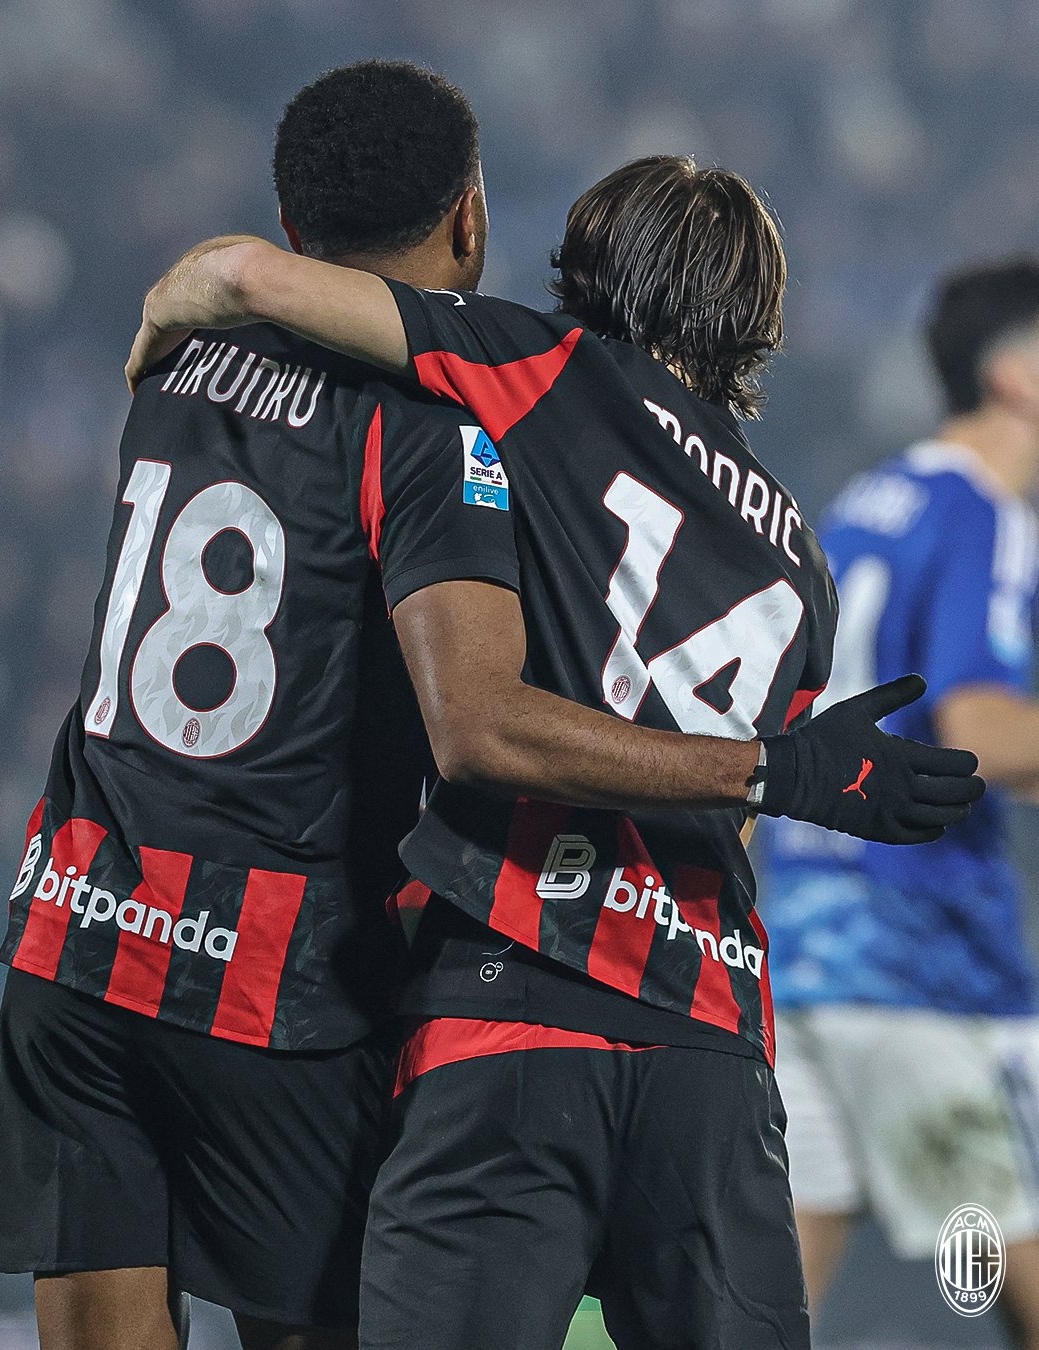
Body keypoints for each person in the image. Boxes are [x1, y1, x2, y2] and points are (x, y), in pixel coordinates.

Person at [127, 161, 983, 1350]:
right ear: (754, 315)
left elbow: (244, 275)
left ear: (594, 263)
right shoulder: (799, 554)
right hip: (712, 1049)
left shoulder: (543, 367)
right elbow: (735, 813)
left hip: (513, 1010)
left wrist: (159, 340)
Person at [752, 259, 1039, 1347]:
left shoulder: (870, 503)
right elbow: (980, 733)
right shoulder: (985, 512)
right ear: (1016, 376)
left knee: (768, 1307)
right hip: (925, 968)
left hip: (804, 947)